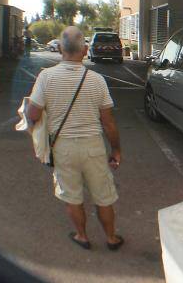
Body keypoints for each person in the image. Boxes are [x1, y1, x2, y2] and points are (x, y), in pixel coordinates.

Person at [25, 26, 123, 251]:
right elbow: (108, 122)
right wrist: (116, 150)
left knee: (72, 196)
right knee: (104, 196)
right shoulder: (97, 80)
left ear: (59, 49)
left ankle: (82, 236)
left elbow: (33, 114)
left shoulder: (46, 77)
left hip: (63, 148)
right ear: (85, 50)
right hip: (94, 147)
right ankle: (111, 238)